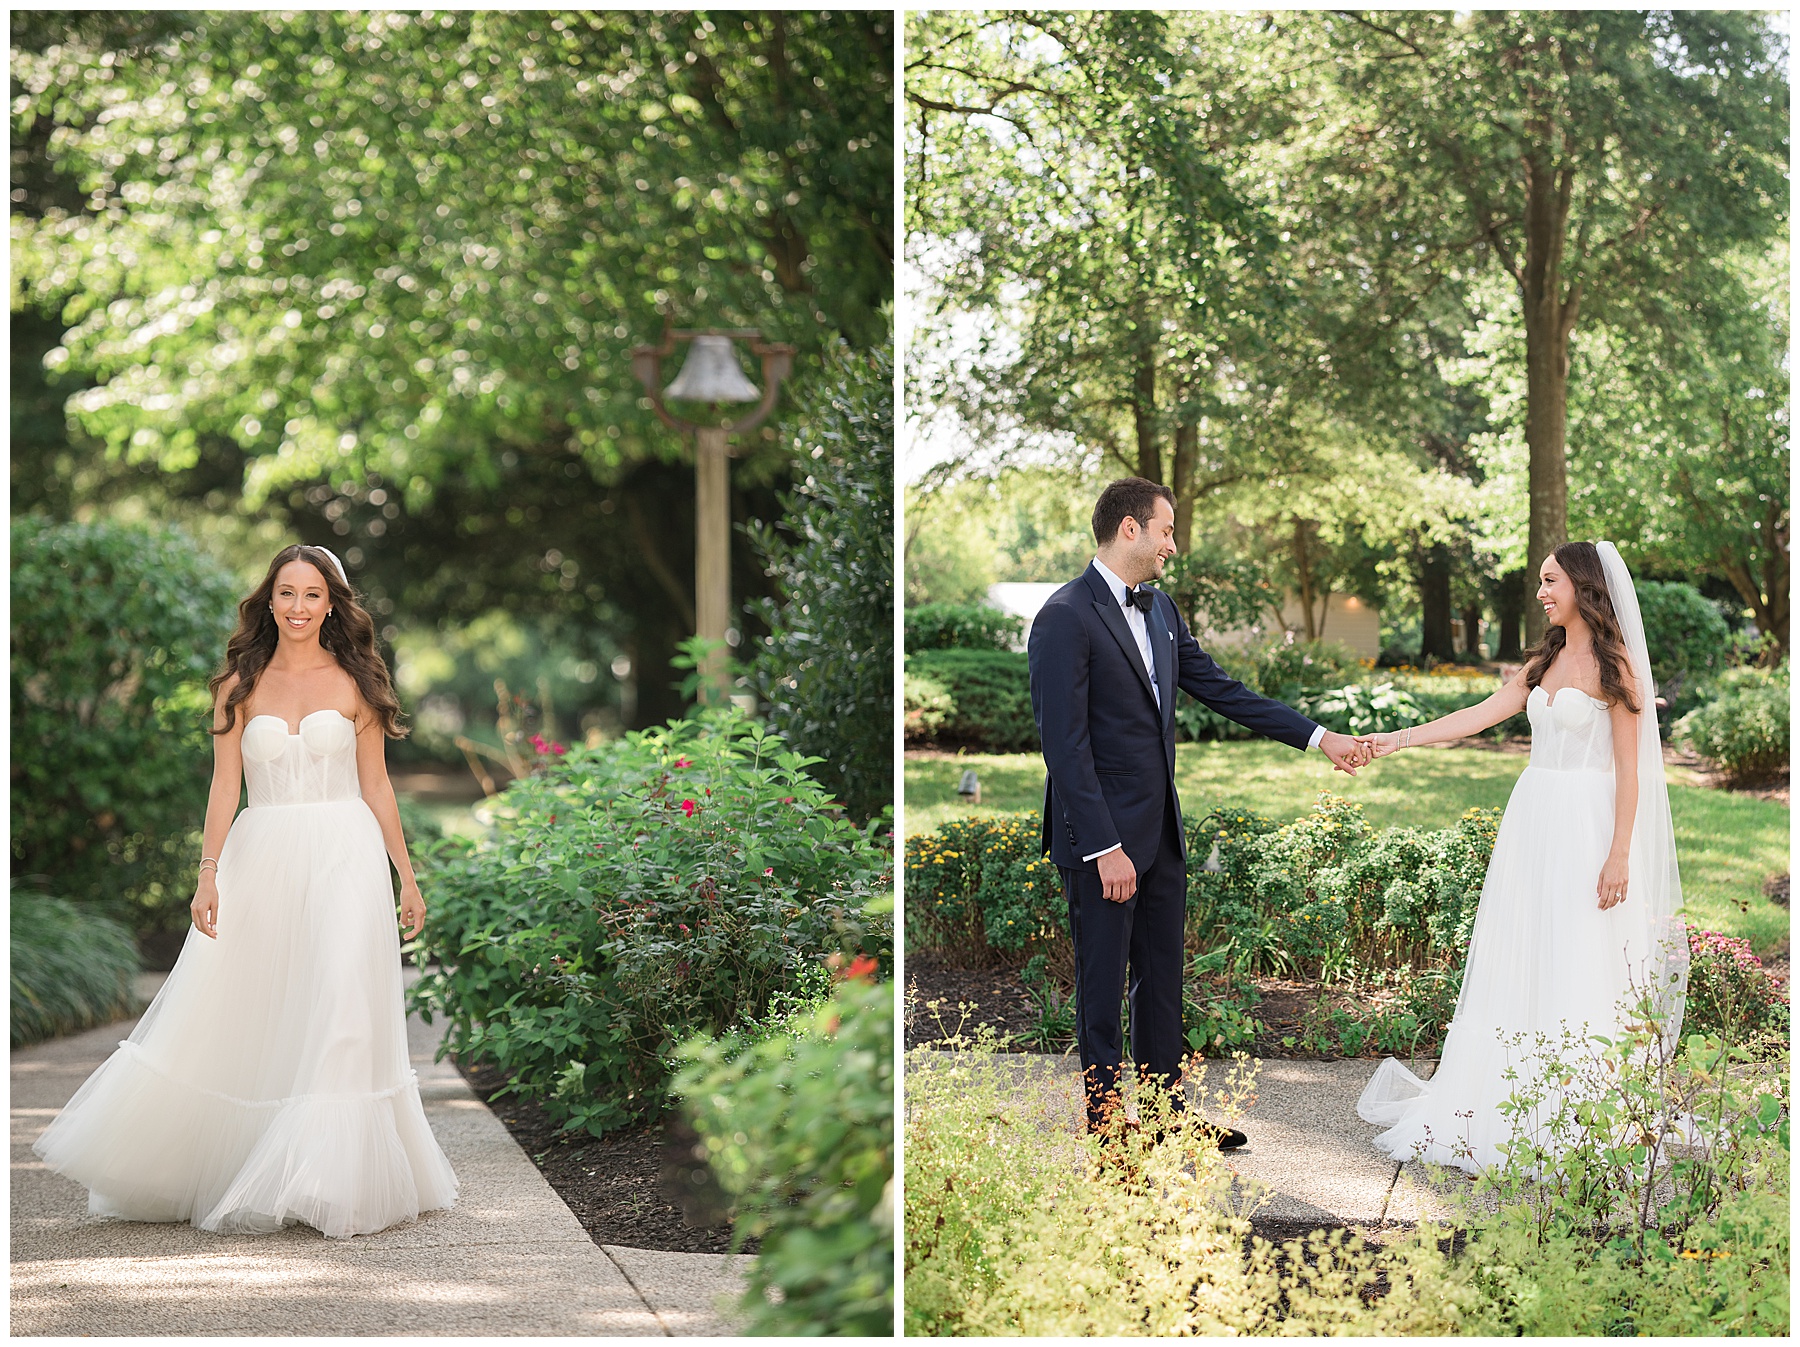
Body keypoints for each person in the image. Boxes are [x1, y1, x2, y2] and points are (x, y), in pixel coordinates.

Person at [33, 544, 459, 1237]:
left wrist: (405, 874)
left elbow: (377, 784)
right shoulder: (238, 682)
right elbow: (225, 784)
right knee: (253, 1006)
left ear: (331, 604)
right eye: (285, 593)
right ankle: (247, 1160)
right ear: (269, 601)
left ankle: (331, 1180)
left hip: (344, 852)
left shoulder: (357, 681)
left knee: (343, 999)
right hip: (260, 856)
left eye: (312, 594)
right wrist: (207, 871)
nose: (297, 606)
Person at [1028, 477, 1373, 1149]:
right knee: (1101, 993)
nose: (1172, 545)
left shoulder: (1161, 610)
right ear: (1130, 529)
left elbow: (1222, 689)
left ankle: (1166, 1115)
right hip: (1102, 844)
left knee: (1160, 983)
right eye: (1166, 530)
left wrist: (1319, 737)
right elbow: (1063, 748)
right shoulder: (1064, 616)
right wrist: (1104, 846)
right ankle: (1107, 1129)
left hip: (1160, 835)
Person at [1355, 541, 1686, 1173]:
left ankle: (1582, 1106)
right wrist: (1397, 739)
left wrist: (1619, 853)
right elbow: (1482, 714)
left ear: (1583, 587)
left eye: (1550, 580)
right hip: (1533, 818)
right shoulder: (1547, 658)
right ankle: (1502, 1097)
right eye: (1541, 581)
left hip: (1587, 825)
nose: (1541, 592)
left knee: (1577, 950)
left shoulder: (1617, 668)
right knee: (1525, 946)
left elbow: (1631, 771)